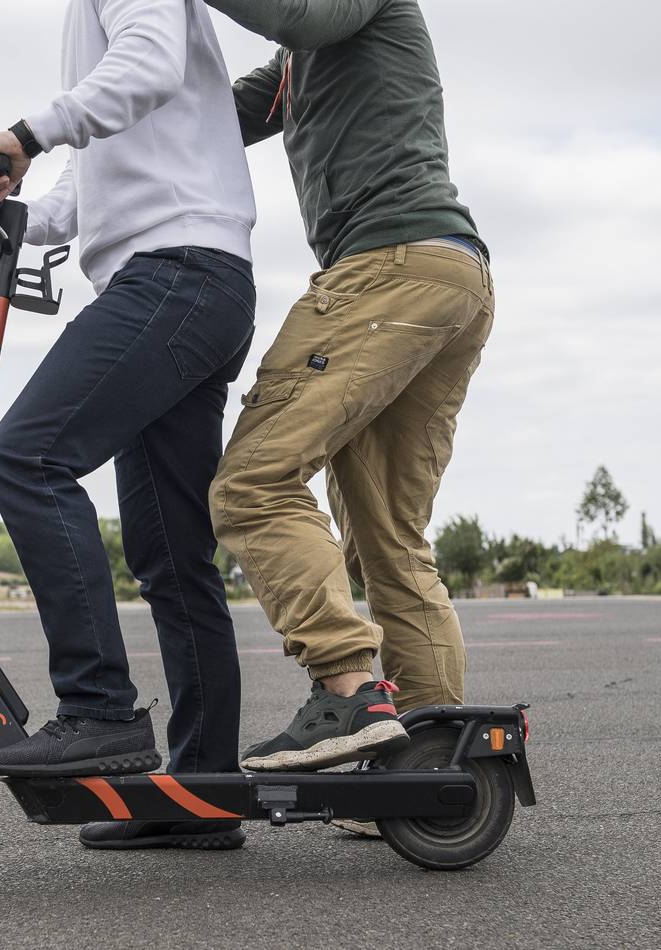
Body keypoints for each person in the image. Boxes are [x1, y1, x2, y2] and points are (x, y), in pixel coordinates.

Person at [0, 0, 257, 850]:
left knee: (27, 457)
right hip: (192, 278)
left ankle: (98, 708)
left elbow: (150, 64)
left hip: (175, 273)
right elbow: (100, 168)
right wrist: (23, 217)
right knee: (172, 557)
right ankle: (201, 795)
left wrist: (30, 128)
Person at [206, 0, 496, 771]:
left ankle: (346, 694)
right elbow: (212, 120)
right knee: (388, 544)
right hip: (446, 274)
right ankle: (431, 777)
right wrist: (66, 131)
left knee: (253, 483)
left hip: (389, 269)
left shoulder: (344, 10)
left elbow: (296, 18)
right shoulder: (295, 65)